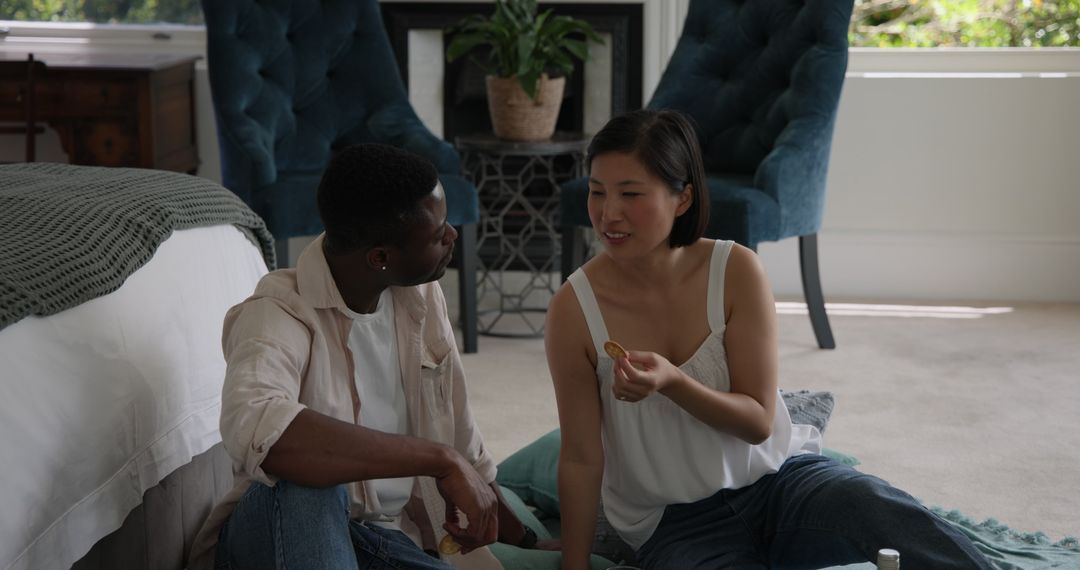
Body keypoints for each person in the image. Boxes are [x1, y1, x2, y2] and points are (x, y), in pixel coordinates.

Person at [544, 109, 992, 569]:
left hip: (779, 481)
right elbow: (581, 458)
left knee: (878, 506)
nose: (608, 213)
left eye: (630, 193)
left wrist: (673, 382)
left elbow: (758, 421)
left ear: (683, 199)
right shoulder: (574, 310)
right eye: (597, 192)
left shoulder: (736, 271)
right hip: (674, 525)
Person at [189, 143, 536, 570]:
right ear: (380, 257)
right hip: (285, 536)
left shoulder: (422, 297)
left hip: (388, 543)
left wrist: (526, 539)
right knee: (305, 483)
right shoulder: (276, 314)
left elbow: (463, 439)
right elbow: (259, 425)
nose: (452, 236)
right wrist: (437, 459)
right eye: (437, 234)